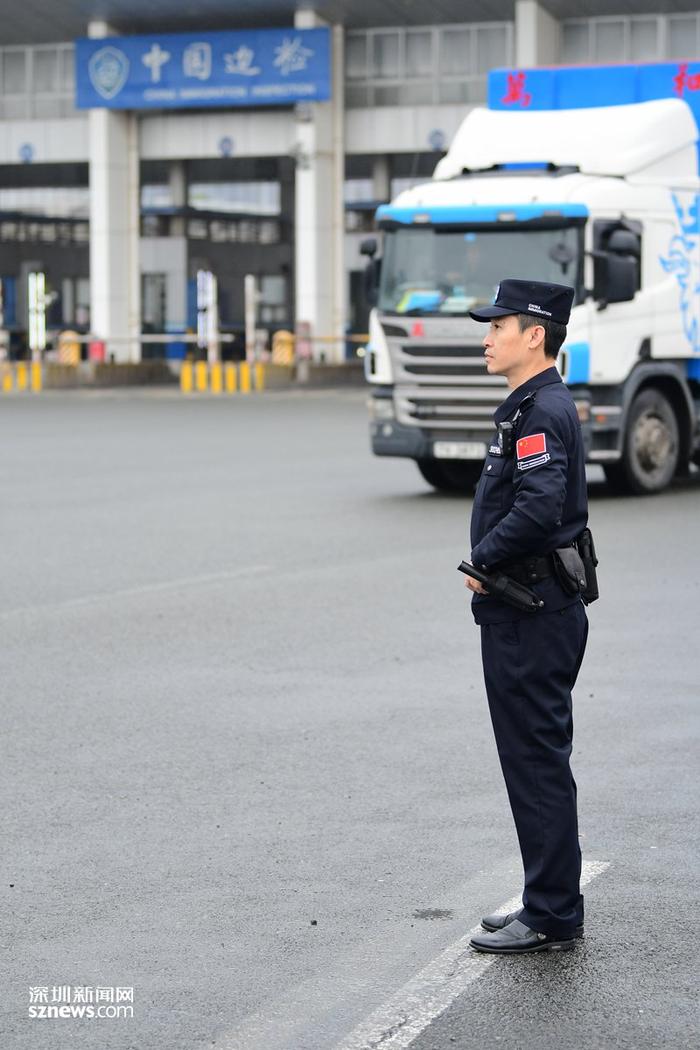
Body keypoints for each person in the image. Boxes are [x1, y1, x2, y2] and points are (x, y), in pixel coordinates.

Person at [464, 278, 589, 954]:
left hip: (530, 612)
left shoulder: (539, 409)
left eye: (498, 326)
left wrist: (480, 559)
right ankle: (549, 894)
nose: (487, 337)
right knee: (537, 757)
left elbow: (539, 508)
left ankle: (550, 913)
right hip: (537, 608)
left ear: (533, 334)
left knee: (535, 760)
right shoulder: (534, 404)